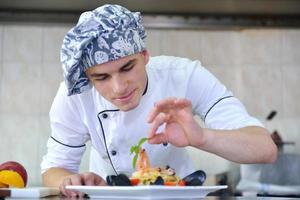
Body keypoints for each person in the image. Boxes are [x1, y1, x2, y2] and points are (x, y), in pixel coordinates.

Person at [41, 4, 277, 197]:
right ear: (87, 78)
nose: (118, 87)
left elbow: (265, 150)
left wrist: (202, 138)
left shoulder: (183, 76)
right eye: (101, 77)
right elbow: (53, 169)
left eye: (127, 68)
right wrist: (69, 180)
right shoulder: (75, 95)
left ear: (144, 55)